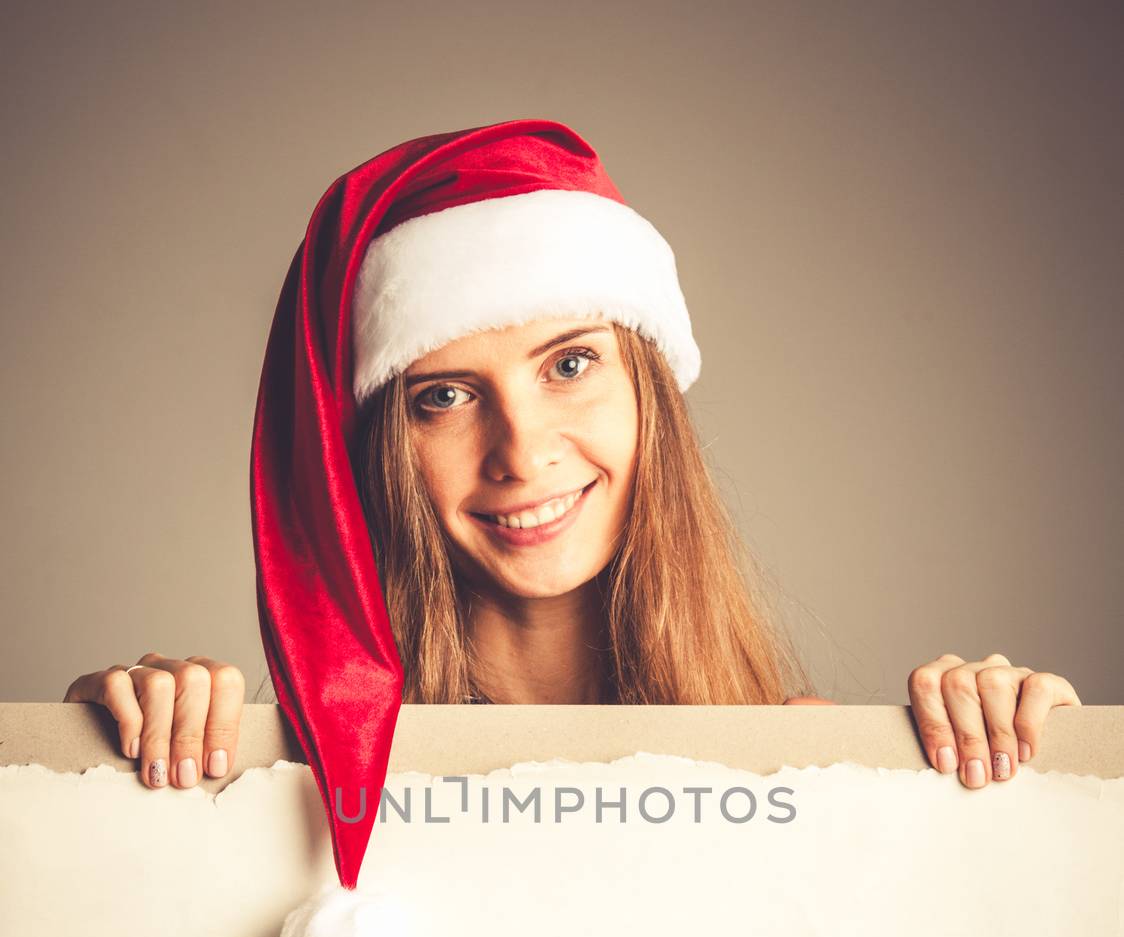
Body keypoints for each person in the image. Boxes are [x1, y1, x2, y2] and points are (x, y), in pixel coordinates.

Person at [64, 125, 1081, 790]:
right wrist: (99, 762)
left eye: (570, 364)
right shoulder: (277, 775)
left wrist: (1031, 755)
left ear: (648, 392)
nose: (521, 450)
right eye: (444, 397)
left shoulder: (811, 761)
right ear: (376, 452)